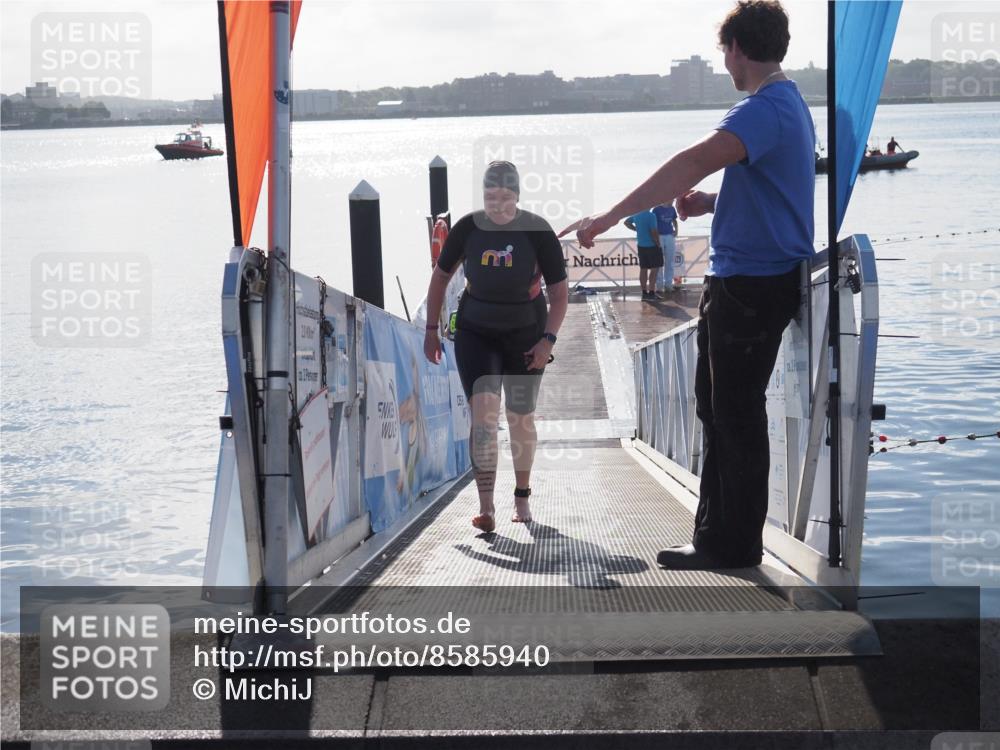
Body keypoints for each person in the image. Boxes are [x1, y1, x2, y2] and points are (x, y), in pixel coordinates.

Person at [561, 0, 814, 570]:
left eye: (725, 51)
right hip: (754, 279)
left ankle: (731, 544)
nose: (725, 62)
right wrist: (713, 203)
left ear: (738, 49)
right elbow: (778, 195)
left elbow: (689, 161)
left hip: (750, 285)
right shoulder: (788, 106)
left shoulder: (763, 108)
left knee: (734, 413)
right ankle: (720, 535)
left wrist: (605, 218)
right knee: (719, 407)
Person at [423, 161, 569, 533]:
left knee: (520, 419)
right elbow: (441, 277)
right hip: (477, 330)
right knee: (484, 416)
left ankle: (521, 496)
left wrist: (547, 340)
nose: (497, 205)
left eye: (505, 197)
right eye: (490, 197)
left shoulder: (536, 231)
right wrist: (430, 329)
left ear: (517, 197)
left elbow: (559, 293)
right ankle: (486, 506)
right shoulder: (469, 228)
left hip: (526, 332)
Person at [623, 208, 661, 300]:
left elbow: (626, 222)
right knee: (654, 269)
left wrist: (636, 229)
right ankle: (651, 292)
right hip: (652, 245)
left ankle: (644, 293)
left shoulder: (636, 214)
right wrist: (658, 243)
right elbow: (654, 232)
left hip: (641, 245)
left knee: (643, 269)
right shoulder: (651, 216)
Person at [652, 203, 680, 291]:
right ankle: (659, 285)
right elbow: (653, 223)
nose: (673, 201)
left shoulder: (672, 209)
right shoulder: (656, 209)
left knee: (670, 260)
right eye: (672, 199)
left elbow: (674, 220)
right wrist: (654, 236)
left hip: (669, 236)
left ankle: (668, 284)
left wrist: (676, 230)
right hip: (659, 236)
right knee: (659, 261)